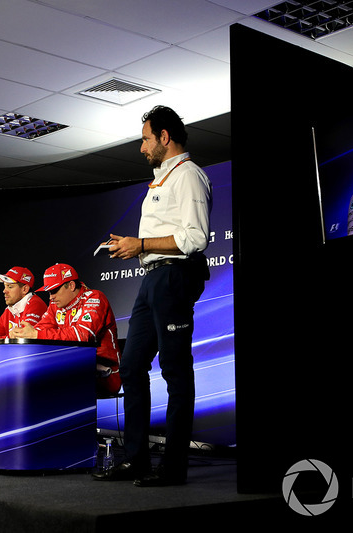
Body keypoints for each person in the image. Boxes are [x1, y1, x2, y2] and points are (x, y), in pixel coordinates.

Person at [97, 105, 212, 487]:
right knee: (131, 366)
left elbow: (195, 240)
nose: (142, 146)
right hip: (152, 278)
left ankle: (174, 468)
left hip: (174, 277)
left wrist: (141, 243)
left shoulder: (189, 176)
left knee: (176, 372)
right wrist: (133, 247)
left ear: (165, 137)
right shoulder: (162, 179)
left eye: (146, 138)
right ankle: (137, 460)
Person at [9, 263, 121, 397]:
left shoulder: (94, 298)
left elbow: (82, 337)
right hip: (73, 369)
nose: (51, 297)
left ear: (72, 285)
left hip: (106, 376)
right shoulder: (55, 305)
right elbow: (40, 329)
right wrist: (23, 333)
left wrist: (36, 334)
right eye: (49, 292)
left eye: (54, 291)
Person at [0, 266, 47, 340]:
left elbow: (22, 337)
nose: (4, 291)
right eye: (5, 286)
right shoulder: (10, 309)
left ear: (25, 289)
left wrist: (7, 338)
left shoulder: (35, 304)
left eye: (10, 287)